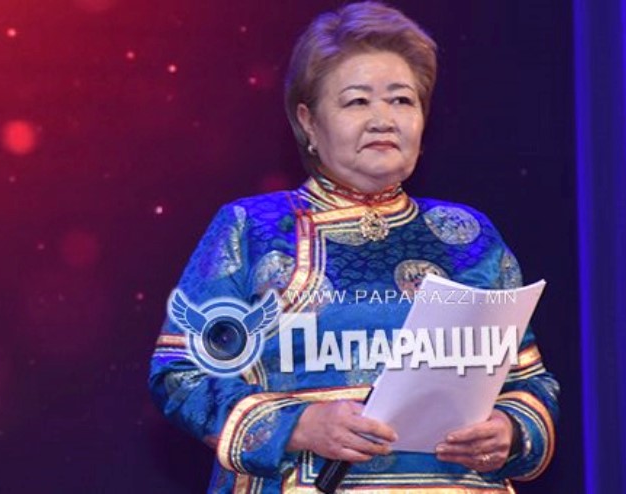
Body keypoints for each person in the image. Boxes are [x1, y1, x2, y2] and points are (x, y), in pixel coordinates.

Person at [149, 2, 559, 492]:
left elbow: (531, 384)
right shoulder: (253, 229)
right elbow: (181, 374)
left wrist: (510, 431)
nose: (383, 119)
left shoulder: (469, 234)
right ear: (308, 122)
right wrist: (299, 426)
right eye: (357, 102)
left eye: (402, 100)